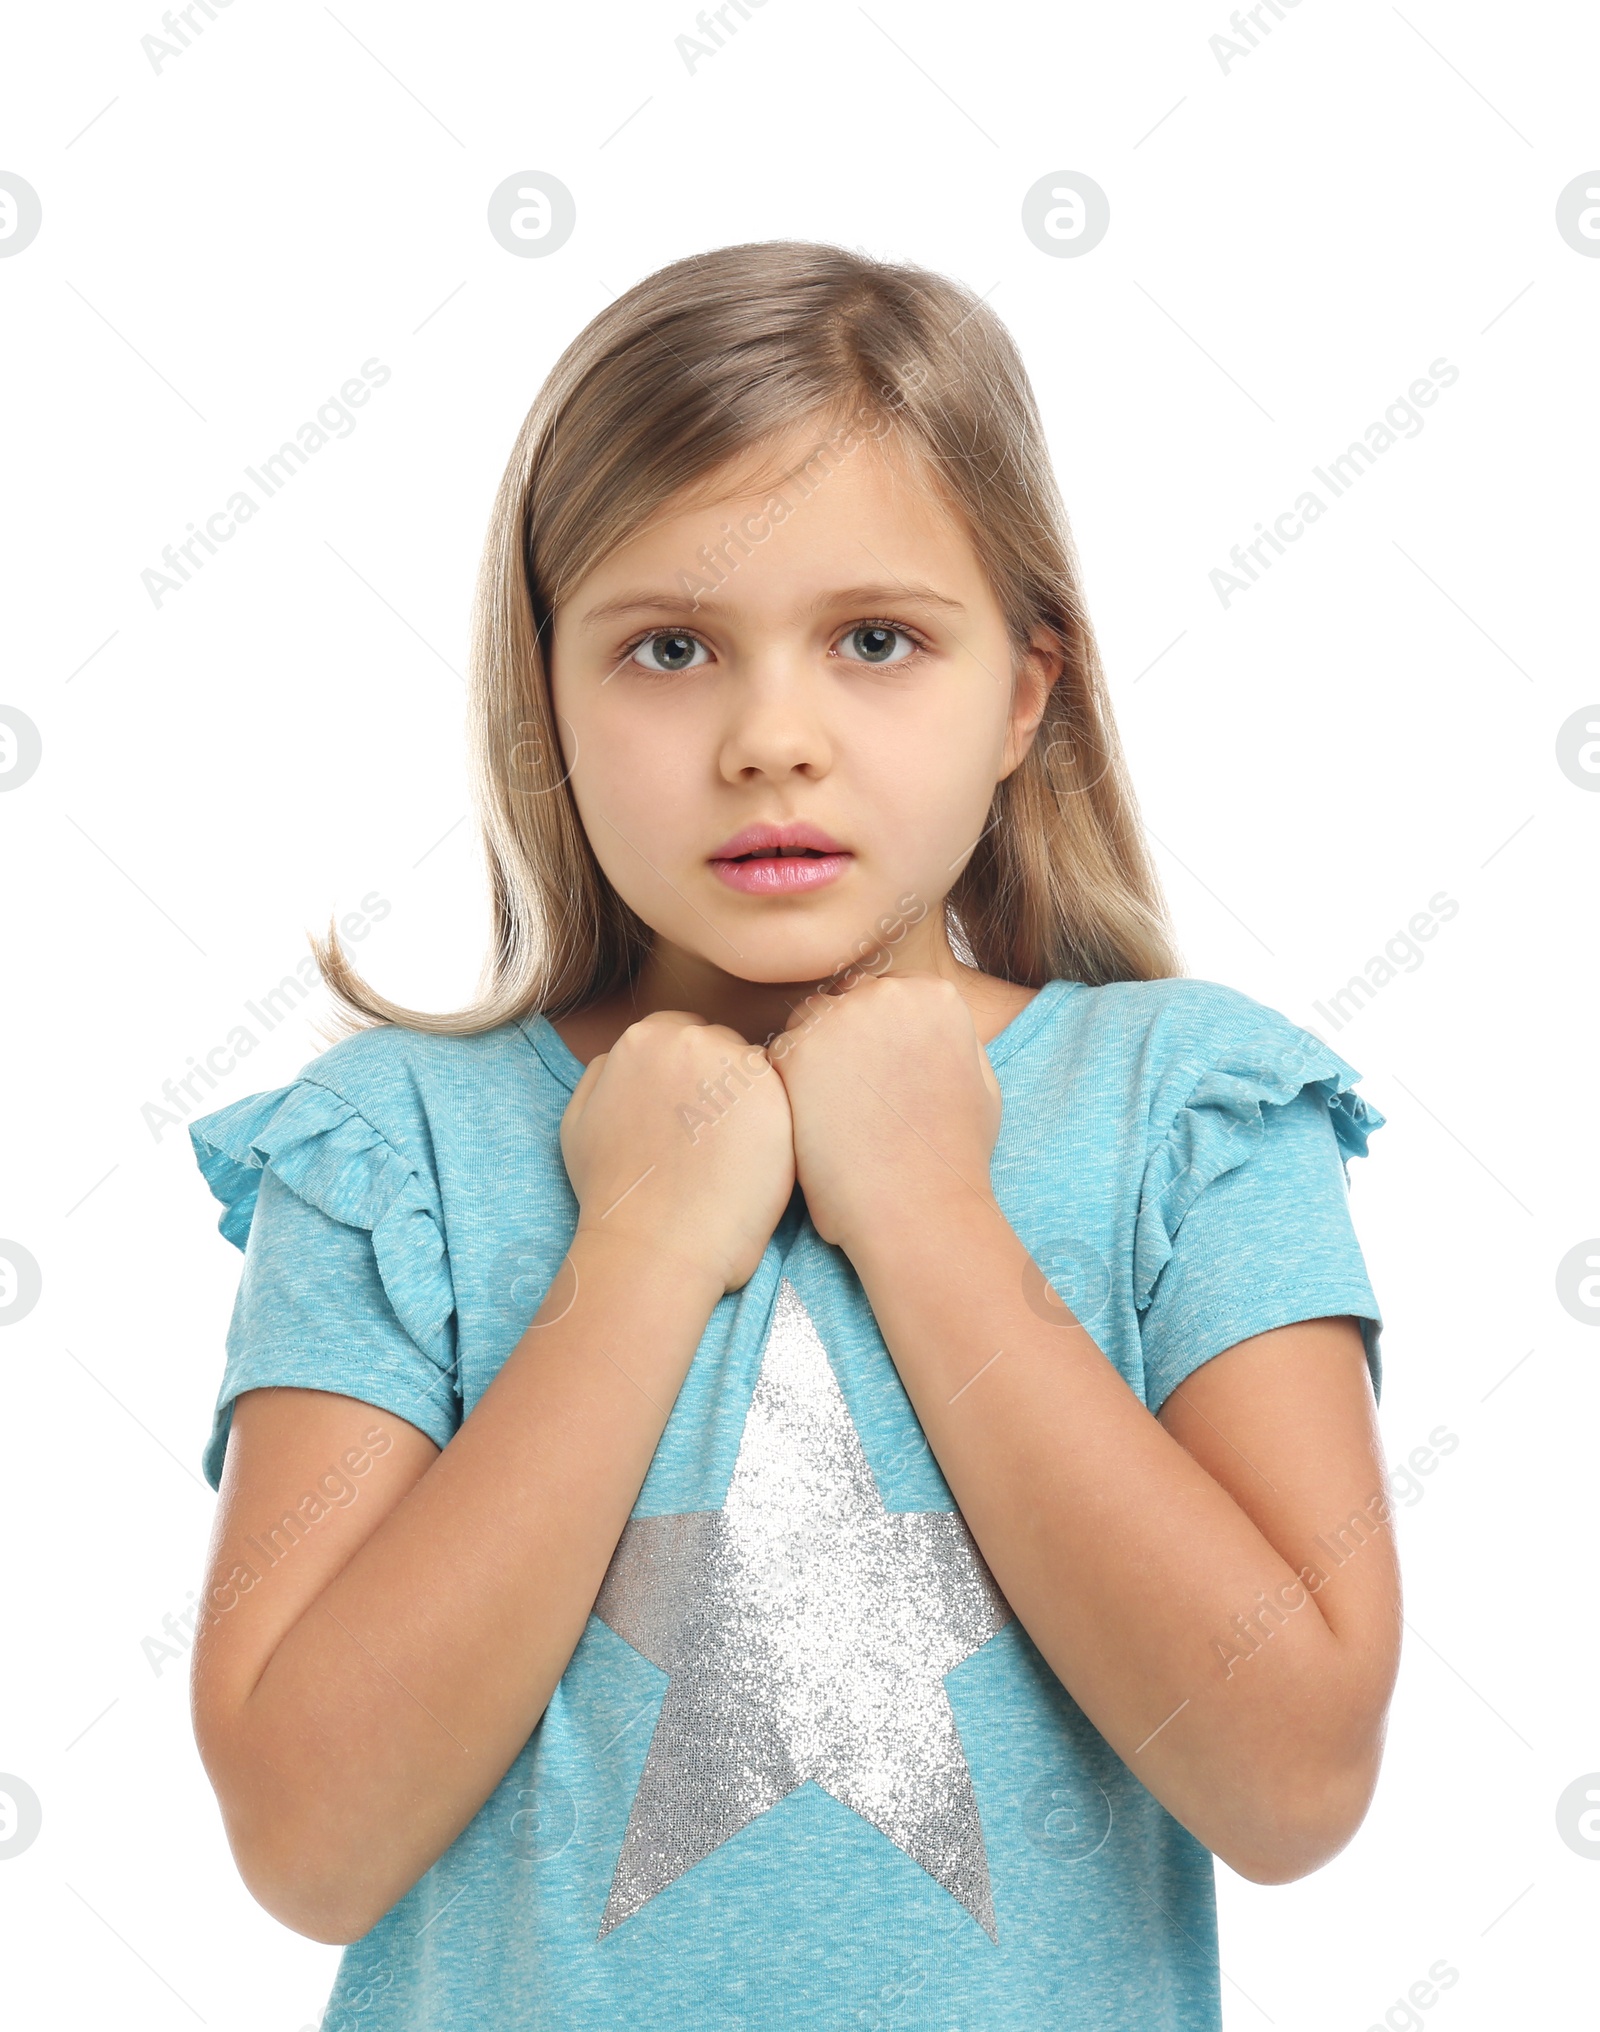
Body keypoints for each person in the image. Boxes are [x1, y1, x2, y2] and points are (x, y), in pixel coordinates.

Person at [186, 239, 1399, 2032]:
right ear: (551, 696)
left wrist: (930, 1218)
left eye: (877, 641)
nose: (772, 739)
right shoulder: (395, 1150)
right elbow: (309, 1837)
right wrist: (641, 1254)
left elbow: (1293, 1780)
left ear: (1023, 693)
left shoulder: (1191, 1117)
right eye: (670, 647)